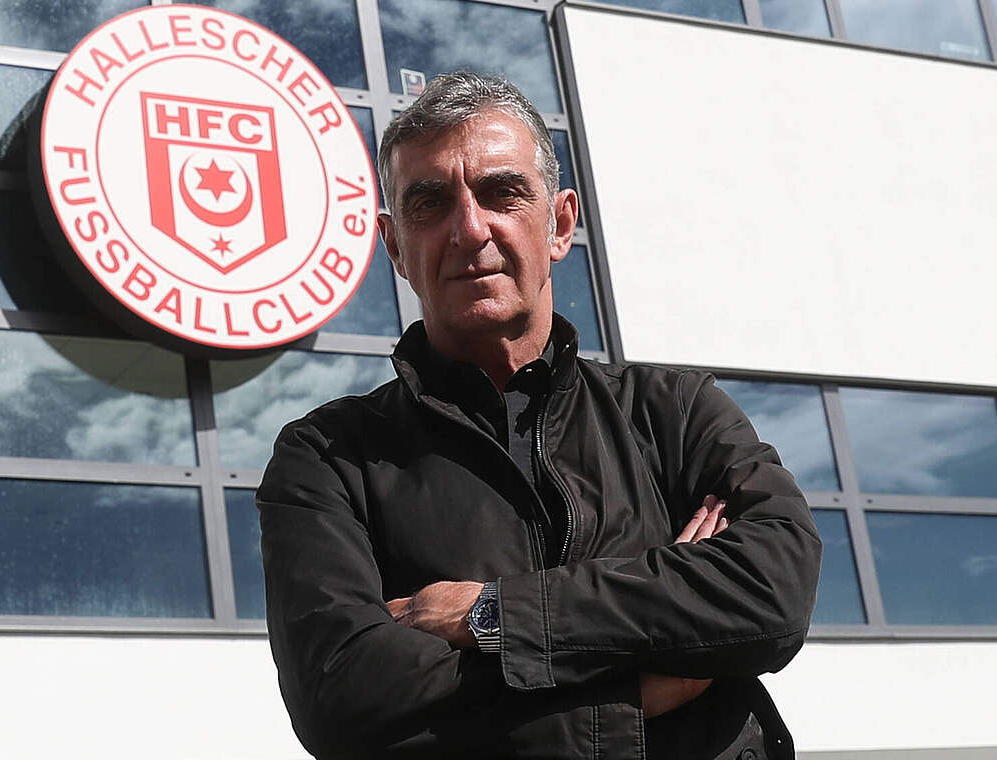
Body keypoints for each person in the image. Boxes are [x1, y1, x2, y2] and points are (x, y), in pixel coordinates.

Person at [257, 71, 821, 759]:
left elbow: (770, 590)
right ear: (395, 247)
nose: (470, 228)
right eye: (430, 203)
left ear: (559, 224)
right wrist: (640, 682)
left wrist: (492, 615)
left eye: (502, 192)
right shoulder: (329, 456)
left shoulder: (673, 410)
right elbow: (342, 696)